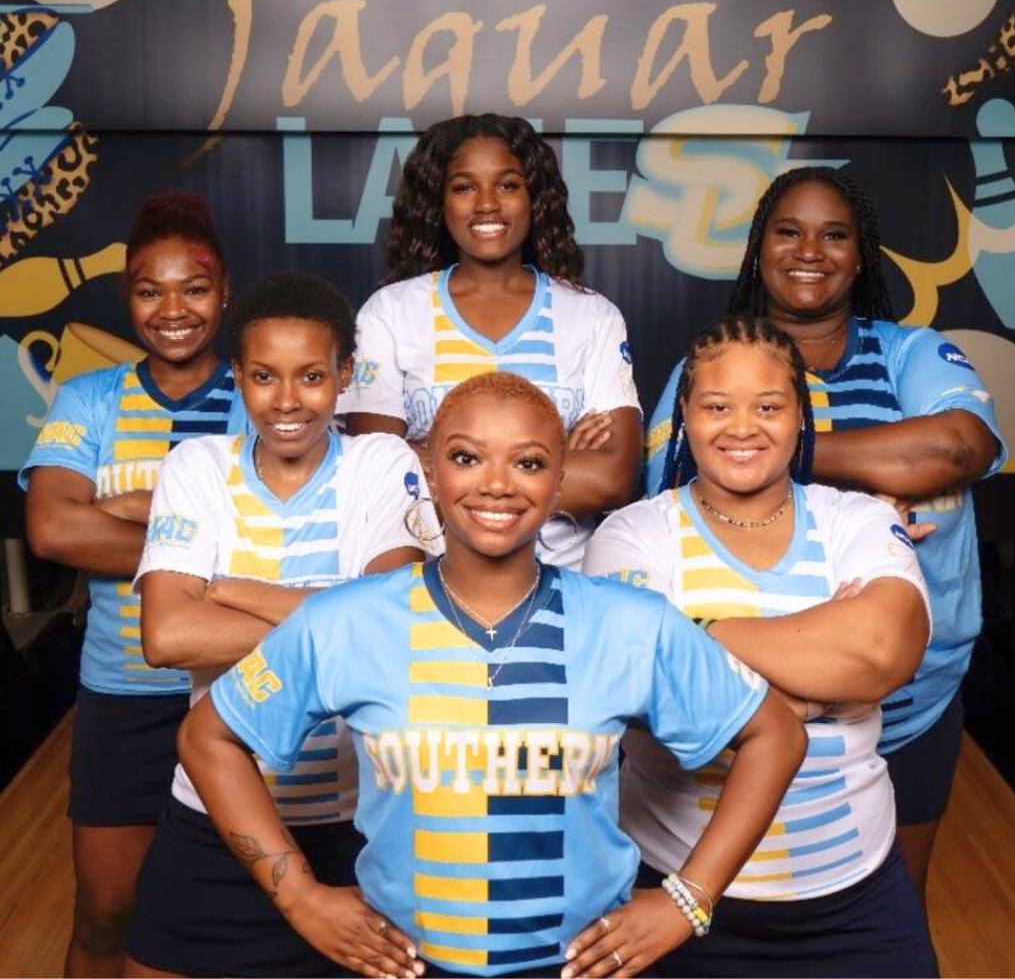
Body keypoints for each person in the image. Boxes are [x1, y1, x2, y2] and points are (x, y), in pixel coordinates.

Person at [177, 371, 807, 979]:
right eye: (467, 457)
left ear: (559, 480)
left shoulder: (630, 624)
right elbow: (208, 737)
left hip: (581, 967)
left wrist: (686, 900)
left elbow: (776, 735)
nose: (497, 485)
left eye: (529, 463)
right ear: (429, 472)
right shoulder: (346, 619)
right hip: (403, 965)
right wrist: (299, 896)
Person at [645, 167, 1004, 905]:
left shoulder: (912, 353)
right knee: (743, 897)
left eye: (834, 233)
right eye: (789, 231)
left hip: (915, 698)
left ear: (861, 253)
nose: (811, 249)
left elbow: (957, 448)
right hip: (747, 689)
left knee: (890, 898)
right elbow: (673, 501)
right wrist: (869, 482)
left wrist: (774, 455)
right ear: (758, 249)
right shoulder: (702, 368)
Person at [586, 315, 937, 977]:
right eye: (717, 406)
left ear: (800, 417)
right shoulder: (631, 536)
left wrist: (698, 630)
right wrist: (813, 680)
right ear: (684, 416)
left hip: (857, 900)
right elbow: (649, 691)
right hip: (673, 894)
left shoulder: (854, 519)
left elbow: (884, 650)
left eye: (768, 406)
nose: (741, 428)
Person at [122, 272, 431, 978]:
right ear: (238, 375)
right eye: (263, 376)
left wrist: (226, 589)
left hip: (355, 824)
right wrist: (335, 612)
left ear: (345, 376)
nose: (287, 401)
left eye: (312, 376)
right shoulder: (197, 465)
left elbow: (394, 626)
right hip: (213, 816)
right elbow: (168, 637)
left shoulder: (381, 463)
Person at [19, 192, 247, 977]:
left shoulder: (263, 401)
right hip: (123, 695)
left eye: (196, 288)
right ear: (127, 295)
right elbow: (53, 529)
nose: (173, 309)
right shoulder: (90, 399)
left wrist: (128, 511)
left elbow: (283, 555)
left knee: (243, 921)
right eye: (152, 289)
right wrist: (207, 531)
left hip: (243, 693)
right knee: (106, 916)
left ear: (226, 293)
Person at [339, 113, 642, 568]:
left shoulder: (592, 315)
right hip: (429, 573)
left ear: (533, 197)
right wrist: (554, 459)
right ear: (438, 203)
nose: (486, 204)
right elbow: (380, 472)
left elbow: (614, 477)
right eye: (464, 187)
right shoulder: (391, 311)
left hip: (567, 576)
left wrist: (436, 462)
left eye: (507, 185)